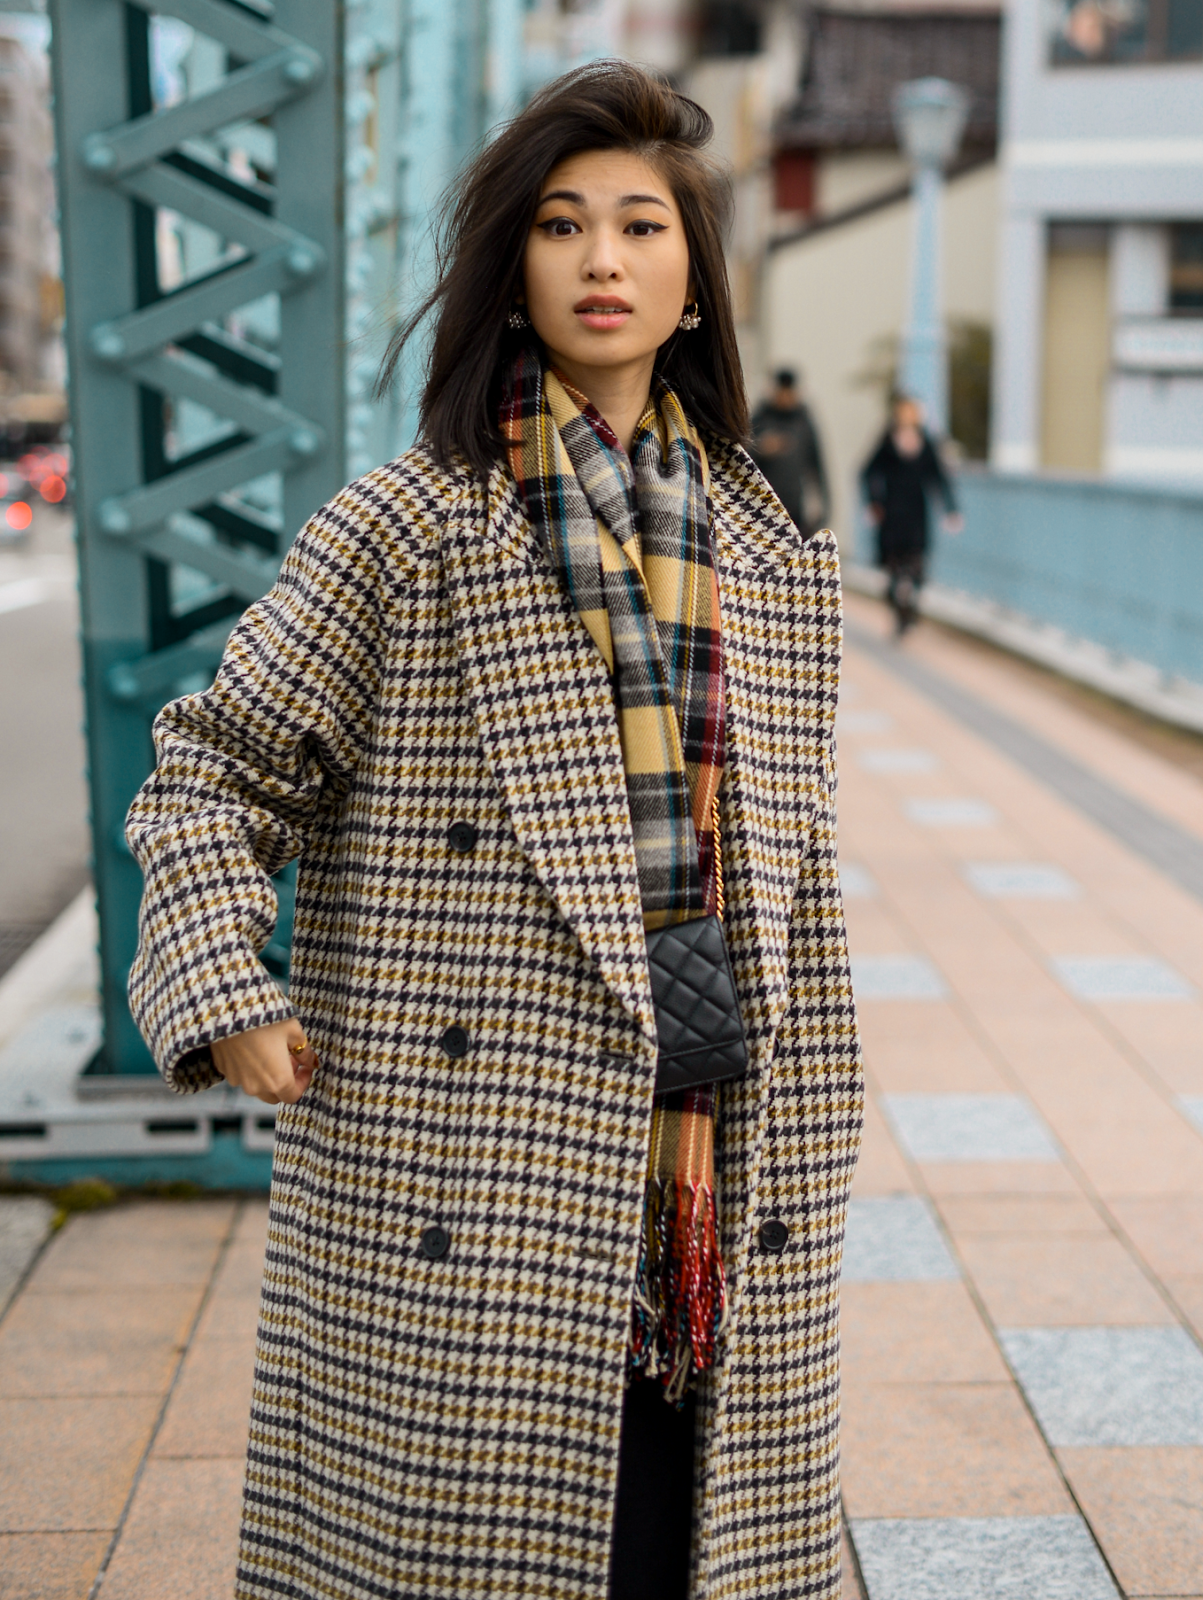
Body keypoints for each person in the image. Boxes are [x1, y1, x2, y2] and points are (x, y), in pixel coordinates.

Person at [125, 62, 862, 1600]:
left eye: (643, 228)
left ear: (695, 280)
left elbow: (788, 863)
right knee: (485, 1546)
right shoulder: (408, 528)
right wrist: (225, 987)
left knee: (678, 1542)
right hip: (476, 1163)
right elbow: (212, 767)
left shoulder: (772, 552)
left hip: (717, 1147)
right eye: (562, 226)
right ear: (509, 273)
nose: (605, 261)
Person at [860, 392, 963, 636]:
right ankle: (899, 608)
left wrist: (951, 509)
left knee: (917, 566)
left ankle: (911, 606)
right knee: (893, 567)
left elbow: (939, 477)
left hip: (917, 513)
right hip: (892, 512)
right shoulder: (887, 441)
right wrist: (874, 501)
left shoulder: (926, 442)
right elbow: (868, 472)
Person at [748, 368, 829, 536]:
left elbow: (817, 464)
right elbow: (742, 455)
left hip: (795, 507)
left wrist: (824, 505)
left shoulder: (803, 421)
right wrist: (762, 448)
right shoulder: (761, 418)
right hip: (762, 505)